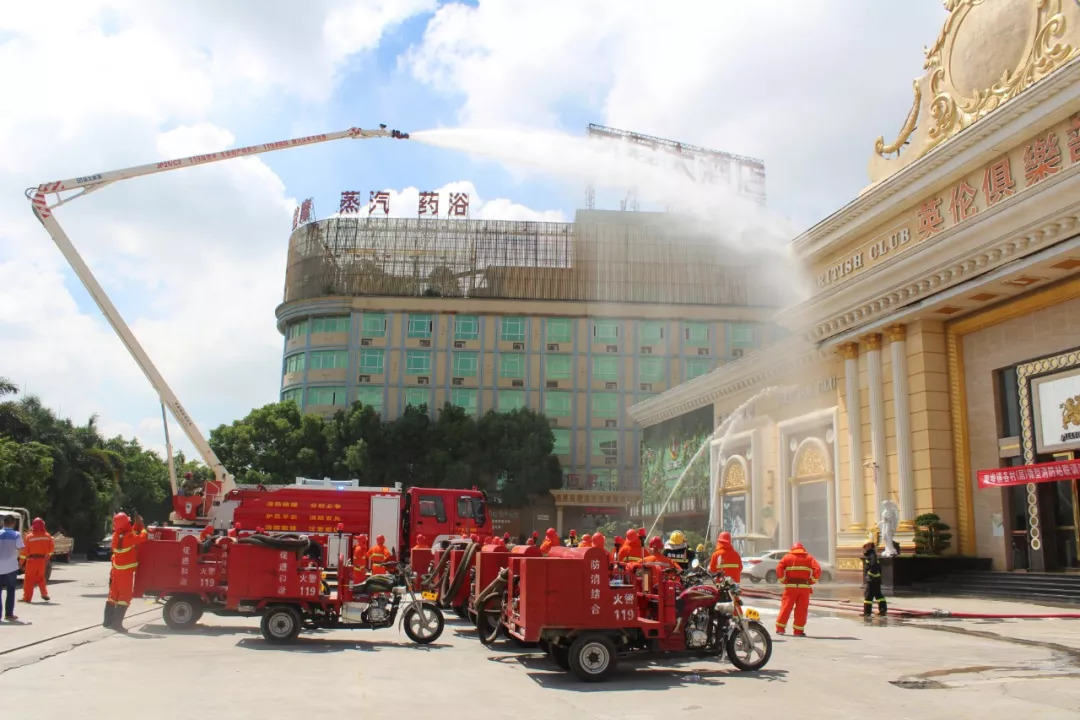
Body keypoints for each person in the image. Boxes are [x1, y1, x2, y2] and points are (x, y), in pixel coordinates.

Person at [104, 512, 148, 632]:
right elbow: (142, 538)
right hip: (126, 573)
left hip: (116, 571)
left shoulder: (116, 536)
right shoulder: (128, 537)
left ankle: (107, 622)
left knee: (113, 596)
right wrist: (142, 527)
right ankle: (117, 624)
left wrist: (135, 525)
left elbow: (129, 533)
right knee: (125, 597)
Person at [775, 542, 821, 637]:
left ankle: (780, 629)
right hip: (804, 588)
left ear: (792, 549)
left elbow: (779, 568)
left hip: (790, 587)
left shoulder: (787, 557)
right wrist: (812, 581)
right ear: (802, 549)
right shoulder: (809, 558)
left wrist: (783, 580)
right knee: (801, 610)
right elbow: (818, 569)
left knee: (786, 607)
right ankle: (798, 631)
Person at [20, 517, 54, 602]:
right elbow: (51, 550)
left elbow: (24, 552)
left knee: (29, 580)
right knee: (41, 578)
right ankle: (44, 594)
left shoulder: (29, 537)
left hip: (32, 561)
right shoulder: (48, 536)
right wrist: (47, 558)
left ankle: (27, 598)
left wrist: (21, 562)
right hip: (42, 561)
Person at [1, 514, 24, 622]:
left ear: (3, 523)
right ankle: (9, 614)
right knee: (10, 590)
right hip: (11, 567)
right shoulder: (16, 534)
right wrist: (18, 560)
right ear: (13, 523)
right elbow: (21, 549)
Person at [862, 541, 888, 618]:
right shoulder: (871, 554)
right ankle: (883, 609)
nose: (865, 547)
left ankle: (867, 612)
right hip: (876, 578)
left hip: (872, 579)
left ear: (870, 546)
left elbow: (874, 566)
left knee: (868, 595)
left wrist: (869, 575)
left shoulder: (872, 555)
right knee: (878, 594)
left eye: (866, 546)